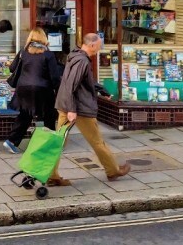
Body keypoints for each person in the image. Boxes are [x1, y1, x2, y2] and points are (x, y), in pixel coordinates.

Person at [53, 32, 130, 183]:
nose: (99, 49)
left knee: (58, 142)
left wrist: (101, 89)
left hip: (66, 104)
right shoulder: (82, 61)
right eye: (99, 46)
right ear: (92, 45)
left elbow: (83, 80)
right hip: (78, 108)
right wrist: (72, 110)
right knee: (97, 141)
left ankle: (51, 175)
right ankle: (113, 170)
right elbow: (71, 85)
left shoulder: (75, 56)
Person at [3, 28, 62, 155]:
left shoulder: (23, 52)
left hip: (23, 88)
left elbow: (13, 68)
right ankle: (48, 144)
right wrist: (58, 90)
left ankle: (11, 141)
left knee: (25, 115)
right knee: (49, 115)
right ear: (44, 38)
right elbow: (55, 76)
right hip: (42, 89)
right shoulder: (48, 54)